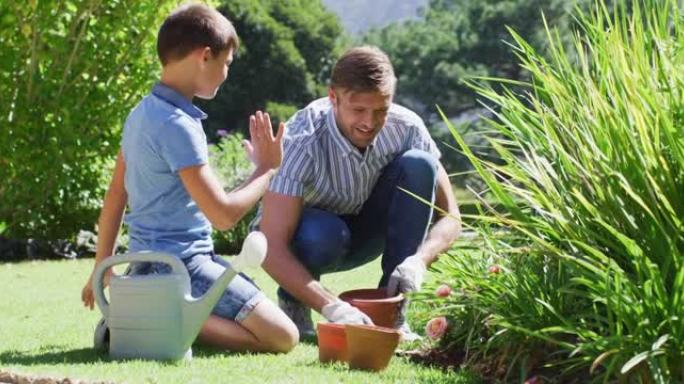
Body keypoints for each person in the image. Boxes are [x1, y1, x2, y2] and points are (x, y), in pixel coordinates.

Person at [80, 4, 298, 353]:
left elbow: (116, 194)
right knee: (284, 337)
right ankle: (145, 322)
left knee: (261, 316)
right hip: (183, 269)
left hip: (143, 267)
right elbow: (223, 216)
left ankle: (141, 313)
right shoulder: (178, 125)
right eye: (226, 63)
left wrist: (101, 266)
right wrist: (268, 169)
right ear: (205, 56)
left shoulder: (141, 113)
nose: (226, 74)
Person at [256, 46, 462, 339]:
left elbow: (451, 216)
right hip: (314, 238)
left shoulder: (407, 128)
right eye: (358, 110)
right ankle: (295, 304)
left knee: (420, 164)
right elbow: (271, 246)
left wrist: (420, 260)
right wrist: (333, 307)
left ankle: (392, 313)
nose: (369, 122)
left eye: (381, 110)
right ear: (333, 98)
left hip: (367, 231)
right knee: (322, 233)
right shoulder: (301, 139)